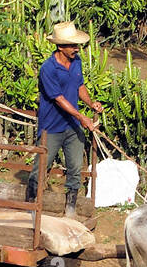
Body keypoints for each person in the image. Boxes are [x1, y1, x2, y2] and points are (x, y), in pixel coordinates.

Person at [26, 20, 104, 227]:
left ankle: (70, 210)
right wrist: (83, 118)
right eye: (72, 46)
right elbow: (59, 99)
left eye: (77, 45)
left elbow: (79, 86)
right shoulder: (48, 69)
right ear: (60, 47)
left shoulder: (76, 62)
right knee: (41, 167)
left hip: (72, 126)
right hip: (51, 128)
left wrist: (90, 103)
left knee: (75, 168)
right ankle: (30, 206)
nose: (76, 49)